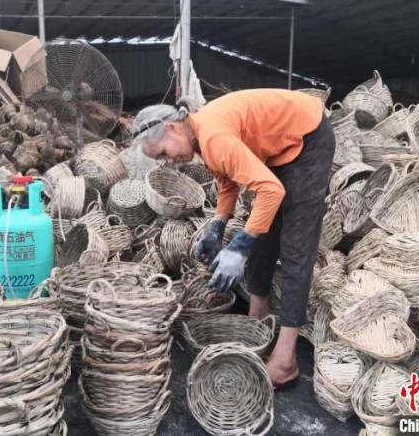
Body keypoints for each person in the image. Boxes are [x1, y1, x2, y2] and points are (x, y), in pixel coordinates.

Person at [134, 89, 335, 388]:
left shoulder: (213, 137)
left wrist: (238, 248)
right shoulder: (201, 136)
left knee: (296, 248)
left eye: (164, 153)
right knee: (262, 235)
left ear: (173, 127)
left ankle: (285, 361)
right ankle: (258, 319)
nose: (169, 162)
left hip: (308, 136)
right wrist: (217, 227)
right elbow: (227, 182)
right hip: (281, 146)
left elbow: (271, 190)